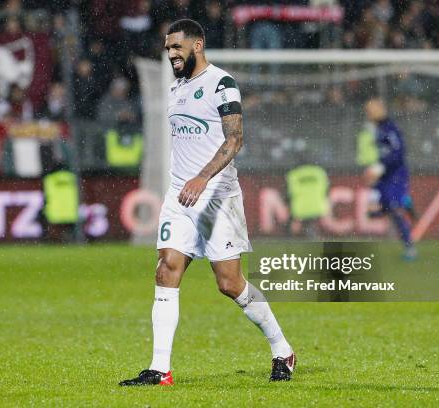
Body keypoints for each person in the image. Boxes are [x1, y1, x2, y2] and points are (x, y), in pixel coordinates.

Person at [119, 19, 295, 387]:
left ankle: (282, 349)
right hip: (180, 196)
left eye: (177, 47)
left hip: (217, 196)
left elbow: (235, 141)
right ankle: (160, 369)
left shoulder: (222, 83)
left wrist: (203, 177)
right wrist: (187, 181)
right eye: (168, 49)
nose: (171, 54)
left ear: (197, 45)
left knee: (230, 284)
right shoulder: (175, 88)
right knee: (167, 267)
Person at [363, 98, 417, 260]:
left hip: (395, 175)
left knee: (394, 209)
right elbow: (386, 153)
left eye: (370, 111)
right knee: (374, 212)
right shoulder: (378, 129)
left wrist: (381, 167)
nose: (368, 115)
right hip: (385, 175)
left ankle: (410, 248)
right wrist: (376, 169)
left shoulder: (390, 129)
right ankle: (405, 202)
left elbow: (398, 153)